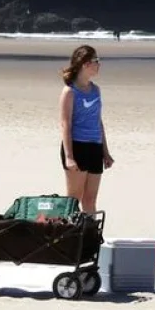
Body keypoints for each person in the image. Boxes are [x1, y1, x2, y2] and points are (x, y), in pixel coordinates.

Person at [58, 45, 113, 215]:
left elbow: (98, 122)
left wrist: (105, 152)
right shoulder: (70, 91)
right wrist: (69, 157)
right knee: (74, 200)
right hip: (77, 147)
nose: (99, 64)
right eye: (96, 61)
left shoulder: (96, 90)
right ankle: (70, 230)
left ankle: (90, 230)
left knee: (90, 200)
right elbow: (65, 124)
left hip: (95, 147)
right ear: (85, 64)